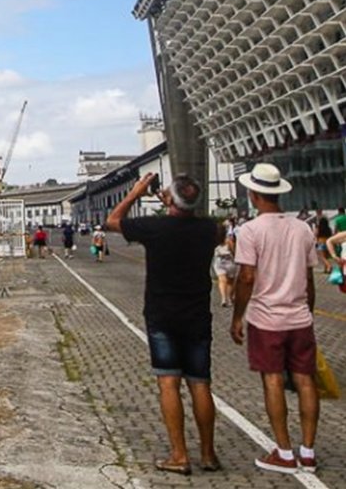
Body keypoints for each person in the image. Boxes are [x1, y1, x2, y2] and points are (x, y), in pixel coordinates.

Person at [106, 172, 219, 475]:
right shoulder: (210, 229)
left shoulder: (155, 228)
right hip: (197, 316)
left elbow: (112, 221)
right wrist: (173, 201)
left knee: (168, 382)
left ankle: (179, 455)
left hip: (162, 316)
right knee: (200, 383)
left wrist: (135, 193)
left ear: (170, 199)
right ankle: (208, 454)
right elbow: (189, 220)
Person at [230, 163, 320, 473]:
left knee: (272, 381)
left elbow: (246, 277)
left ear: (253, 195)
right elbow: (309, 280)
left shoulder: (250, 231)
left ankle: (283, 451)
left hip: (266, 319)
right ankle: (308, 451)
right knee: (306, 381)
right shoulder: (302, 228)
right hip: (299, 318)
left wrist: (237, 316)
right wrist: (308, 310)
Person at [212, 226, 236, 307]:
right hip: (229, 263)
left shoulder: (214, 241)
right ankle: (229, 297)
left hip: (218, 262)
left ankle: (223, 298)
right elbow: (233, 251)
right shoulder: (228, 241)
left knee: (222, 280)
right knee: (230, 281)